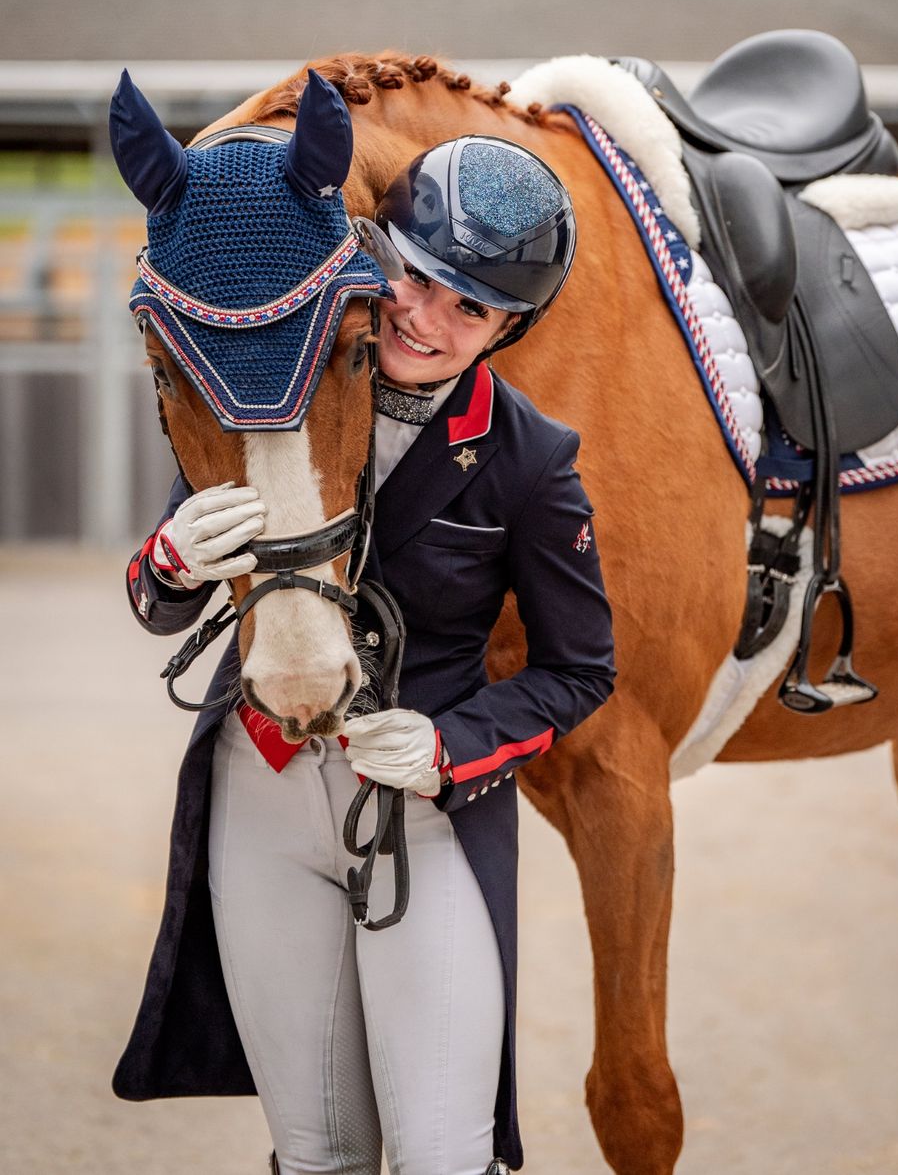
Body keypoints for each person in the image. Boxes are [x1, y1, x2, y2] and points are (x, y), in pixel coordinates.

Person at [115, 133, 617, 1175]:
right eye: (414, 278)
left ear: (508, 329)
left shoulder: (531, 462)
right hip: (259, 790)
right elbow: (161, 606)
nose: (425, 318)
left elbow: (580, 672)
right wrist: (168, 560)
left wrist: (449, 748)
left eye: (470, 308)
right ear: (371, 254)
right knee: (318, 1152)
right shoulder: (273, 367)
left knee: (441, 1153)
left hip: (418, 810)